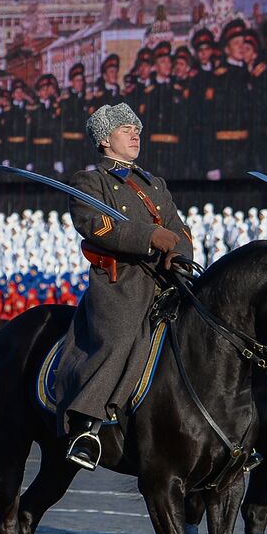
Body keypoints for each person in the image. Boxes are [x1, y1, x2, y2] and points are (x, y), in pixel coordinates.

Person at [53, 104, 194, 469]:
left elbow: (179, 229)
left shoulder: (154, 184)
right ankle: (87, 425)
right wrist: (150, 236)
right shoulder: (89, 182)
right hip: (122, 285)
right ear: (104, 139)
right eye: (126, 129)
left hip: (165, 281)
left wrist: (177, 252)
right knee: (119, 337)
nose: (136, 135)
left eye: (137, 129)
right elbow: (97, 226)